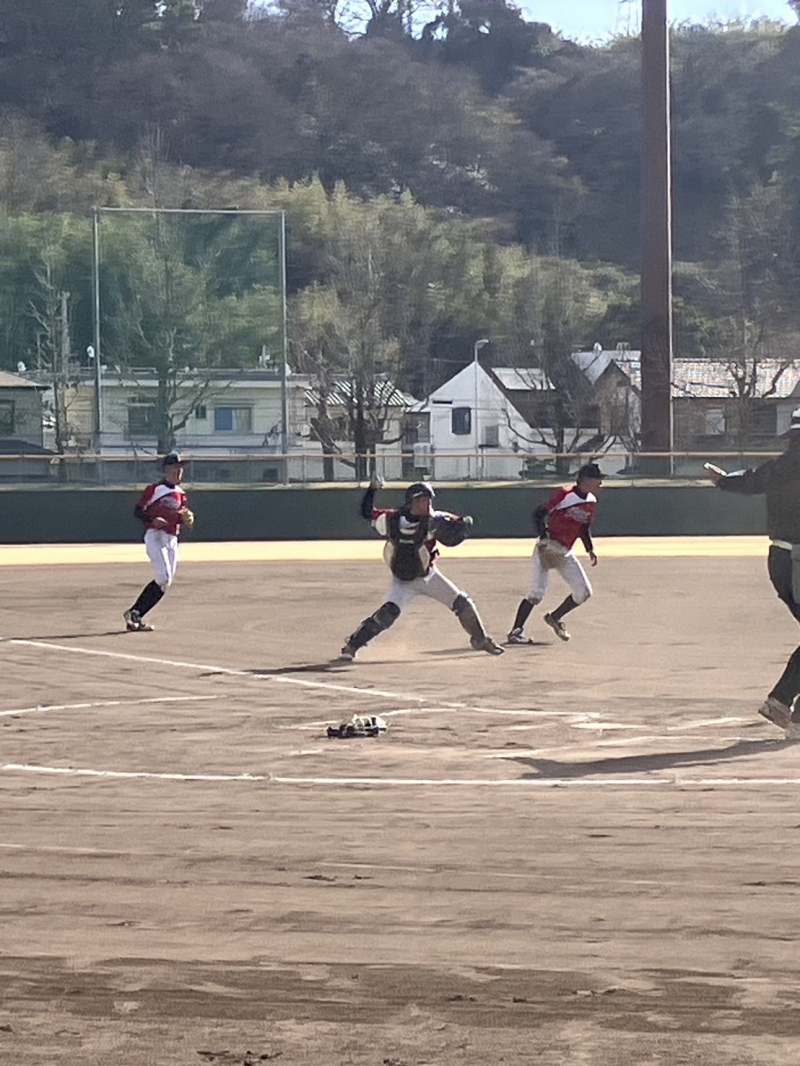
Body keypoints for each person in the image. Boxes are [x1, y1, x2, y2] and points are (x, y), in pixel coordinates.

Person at [706, 407, 800, 739]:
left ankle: (789, 711)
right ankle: (782, 702)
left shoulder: (777, 467)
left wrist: (722, 481)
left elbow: (748, 481)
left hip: (780, 560)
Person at [337, 477, 504, 661]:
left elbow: (455, 528)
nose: (428, 504)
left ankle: (480, 639)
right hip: (402, 581)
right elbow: (366, 513)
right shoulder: (392, 520)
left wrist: (463, 524)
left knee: (462, 604)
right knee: (387, 614)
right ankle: (352, 645)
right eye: (423, 500)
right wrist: (372, 489)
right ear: (413, 502)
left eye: (429, 500)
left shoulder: (435, 520)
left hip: (428, 576)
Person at [507, 462, 605, 645]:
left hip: (564, 552)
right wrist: (544, 539)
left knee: (583, 592)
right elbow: (538, 514)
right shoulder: (565, 494)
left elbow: (584, 527)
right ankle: (515, 632)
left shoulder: (591, 501)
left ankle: (555, 617)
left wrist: (590, 549)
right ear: (586, 480)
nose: (600, 483)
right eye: (597, 479)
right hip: (547, 548)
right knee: (536, 593)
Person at [123, 452, 193, 632]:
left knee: (165, 582)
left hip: (171, 539)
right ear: (167, 469)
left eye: (181, 468)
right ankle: (134, 613)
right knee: (163, 576)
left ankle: (135, 614)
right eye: (176, 467)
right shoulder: (155, 489)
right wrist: (152, 520)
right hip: (155, 536)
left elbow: (178, 516)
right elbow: (138, 511)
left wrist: (184, 519)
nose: (180, 471)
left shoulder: (181, 494)